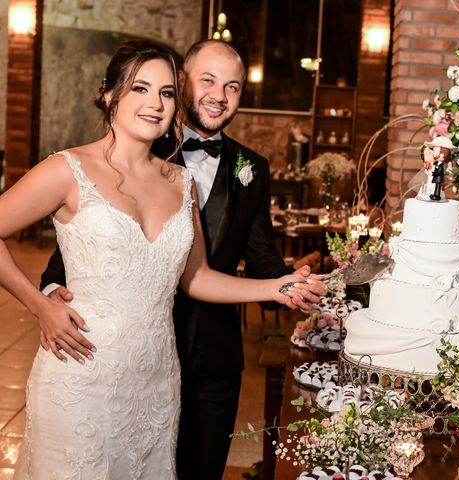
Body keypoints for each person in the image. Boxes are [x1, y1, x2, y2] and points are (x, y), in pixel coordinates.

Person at [0, 39, 322, 479]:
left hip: (156, 380)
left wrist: (280, 286)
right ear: (109, 94)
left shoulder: (180, 182)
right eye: (140, 89)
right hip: (82, 370)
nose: (155, 103)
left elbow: (197, 277)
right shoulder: (66, 169)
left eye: (166, 93)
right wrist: (41, 304)